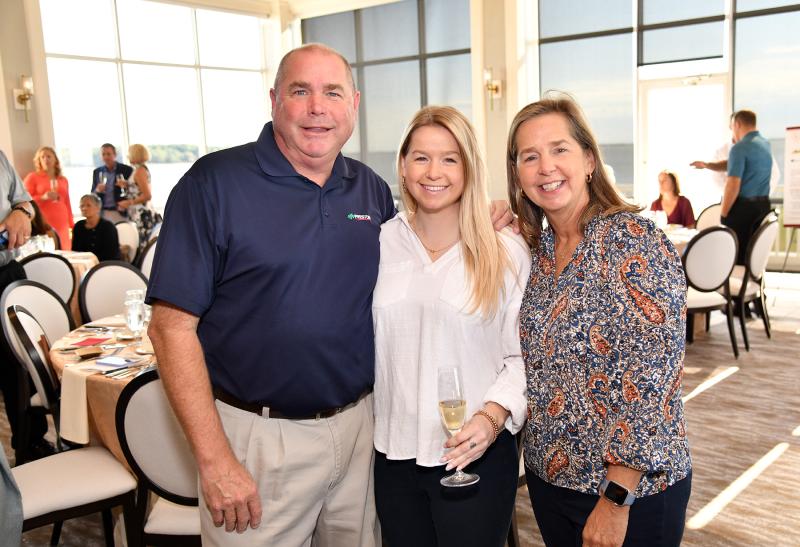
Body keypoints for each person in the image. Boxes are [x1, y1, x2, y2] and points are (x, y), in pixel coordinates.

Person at [507, 96, 691, 547]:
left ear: (589, 160)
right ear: (518, 173)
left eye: (559, 149)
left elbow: (654, 381)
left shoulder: (632, 241)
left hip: (630, 493)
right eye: (530, 157)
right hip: (552, 479)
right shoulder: (539, 253)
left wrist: (615, 499)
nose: (545, 166)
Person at [372, 106, 529, 546]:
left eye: (450, 158)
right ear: (402, 166)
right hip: (393, 455)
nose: (433, 171)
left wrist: (491, 418)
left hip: (473, 453)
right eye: (421, 157)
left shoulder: (504, 250)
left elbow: (523, 359)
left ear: (468, 168)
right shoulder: (380, 243)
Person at [0, 150, 53, 461]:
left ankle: (30, 444)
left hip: (7, 274)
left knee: (20, 365)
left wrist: (23, 212)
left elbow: (24, 202)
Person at [23, 146, 74, 249]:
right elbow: (25, 200)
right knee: (49, 249)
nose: (46, 159)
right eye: (42, 157)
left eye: (49, 156)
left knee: (65, 249)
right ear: (39, 161)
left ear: (55, 159)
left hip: (62, 220)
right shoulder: (32, 177)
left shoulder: (63, 179)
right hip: (44, 220)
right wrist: (43, 197)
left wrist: (71, 224)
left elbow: (67, 202)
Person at [115, 144, 161, 250]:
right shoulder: (140, 170)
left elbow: (147, 195)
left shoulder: (140, 171)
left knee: (143, 246)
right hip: (139, 213)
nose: (128, 156)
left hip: (142, 214)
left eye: (129, 154)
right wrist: (126, 185)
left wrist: (129, 202)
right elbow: (138, 189)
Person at [91, 143, 133, 223]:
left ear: (115, 155)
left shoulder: (127, 170)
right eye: (103, 154)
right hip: (103, 213)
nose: (106, 157)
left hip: (121, 212)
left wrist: (126, 185)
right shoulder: (97, 172)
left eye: (108, 154)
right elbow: (92, 194)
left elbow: (134, 191)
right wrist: (97, 190)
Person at [71, 194, 120, 261]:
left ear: (98, 207)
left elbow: (111, 254)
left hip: (105, 266)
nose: (84, 208)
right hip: (84, 264)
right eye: (82, 206)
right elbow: (75, 251)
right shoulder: (78, 226)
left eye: (88, 205)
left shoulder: (108, 227)